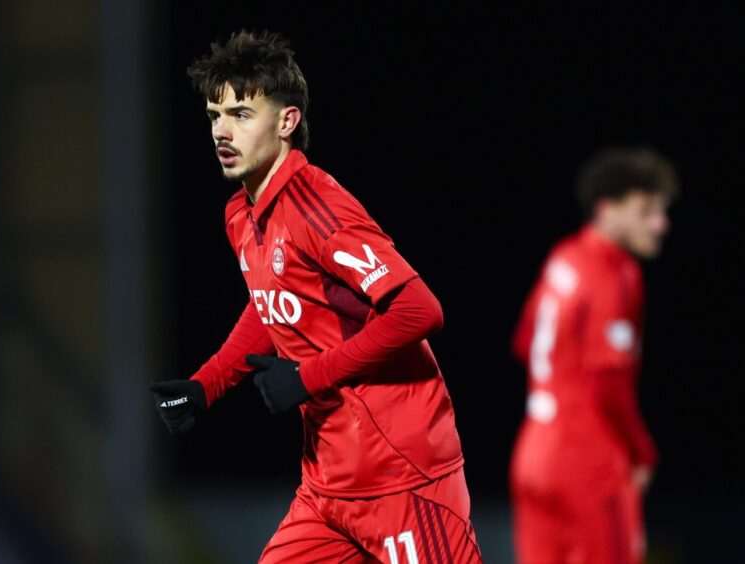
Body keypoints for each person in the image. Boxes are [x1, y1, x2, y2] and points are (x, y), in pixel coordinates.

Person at [149, 30, 482, 563]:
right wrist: (205, 386)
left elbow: (419, 310)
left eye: (240, 113)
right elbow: (271, 304)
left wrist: (306, 377)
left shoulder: (316, 208)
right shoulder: (241, 212)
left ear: (286, 122)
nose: (221, 130)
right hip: (327, 488)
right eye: (215, 115)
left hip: (403, 477)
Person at [509, 147, 679, 563]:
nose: (661, 224)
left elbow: (524, 342)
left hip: (533, 452)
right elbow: (608, 381)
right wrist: (642, 451)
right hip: (588, 459)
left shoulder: (563, 257)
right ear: (606, 209)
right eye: (645, 211)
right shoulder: (616, 273)